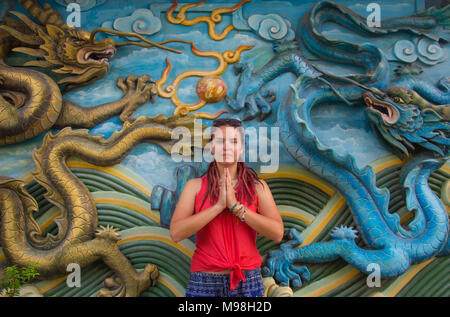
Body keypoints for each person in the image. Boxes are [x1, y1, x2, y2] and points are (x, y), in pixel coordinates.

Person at [170, 117, 284, 297]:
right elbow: (176, 233)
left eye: (233, 141)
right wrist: (219, 206)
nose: (226, 147)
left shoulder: (257, 187)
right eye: (220, 141)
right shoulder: (195, 186)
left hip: (247, 280)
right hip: (204, 281)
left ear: (241, 148)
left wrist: (236, 207)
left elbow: (277, 233)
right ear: (212, 147)